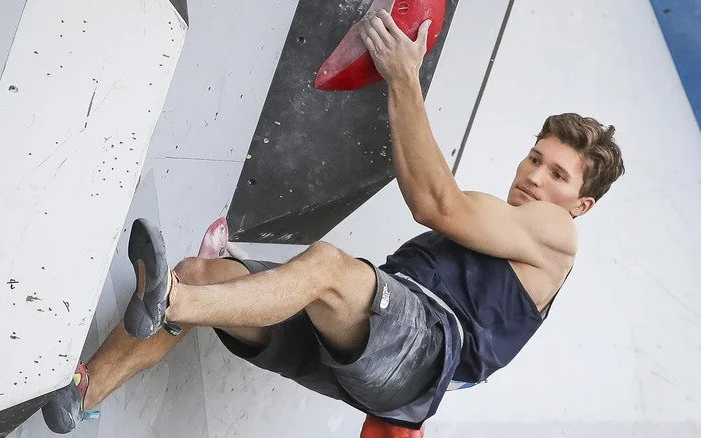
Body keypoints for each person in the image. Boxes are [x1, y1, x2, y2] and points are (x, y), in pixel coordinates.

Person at [41, 9, 625, 434]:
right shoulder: (501, 222)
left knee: (327, 267)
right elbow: (436, 194)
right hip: (366, 351)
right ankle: (84, 391)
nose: (535, 178)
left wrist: (403, 76)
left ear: (582, 205)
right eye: (535, 159)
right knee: (206, 273)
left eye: (558, 177)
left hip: (419, 355)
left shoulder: (557, 235)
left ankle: (166, 302)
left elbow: (434, 202)